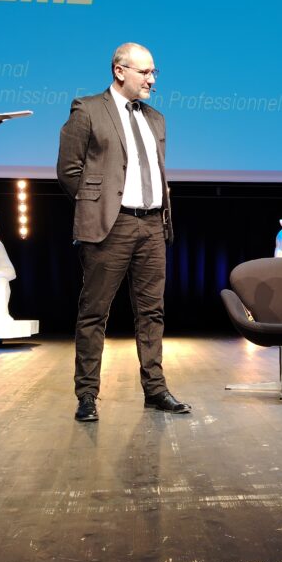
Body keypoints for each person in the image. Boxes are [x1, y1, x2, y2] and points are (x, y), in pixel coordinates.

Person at [57, 43, 191, 422]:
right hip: (110, 226)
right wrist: (95, 208)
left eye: (154, 73)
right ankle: (86, 395)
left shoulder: (157, 119)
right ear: (119, 71)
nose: (152, 79)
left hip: (152, 224)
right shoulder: (87, 109)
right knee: (94, 312)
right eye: (144, 72)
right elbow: (68, 170)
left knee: (152, 311)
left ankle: (155, 389)